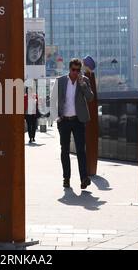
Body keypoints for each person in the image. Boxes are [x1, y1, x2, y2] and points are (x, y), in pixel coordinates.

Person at [50, 58, 94, 190]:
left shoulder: (84, 81)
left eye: (78, 70)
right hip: (64, 121)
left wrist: (83, 84)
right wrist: (56, 117)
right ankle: (66, 178)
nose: (75, 72)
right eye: (73, 70)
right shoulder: (61, 81)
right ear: (69, 69)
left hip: (78, 120)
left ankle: (84, 178)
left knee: (81, 150)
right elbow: (52, 100)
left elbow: (90, 98)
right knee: (65, 150)